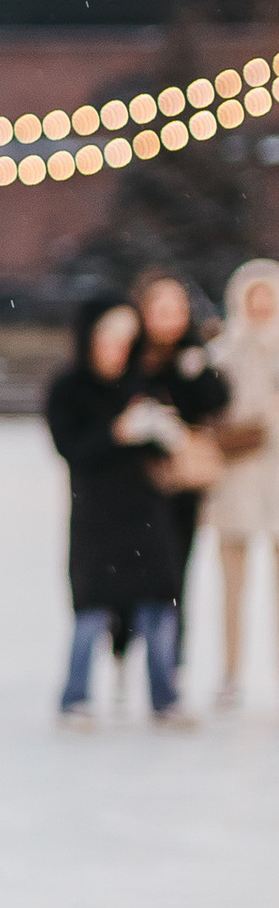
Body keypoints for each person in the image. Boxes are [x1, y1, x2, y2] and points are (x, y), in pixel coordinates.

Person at [44, 297, 194, 727]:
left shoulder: (141, 383)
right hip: (96, 515)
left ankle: (164, 696)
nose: (117, 349)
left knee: (159, 603)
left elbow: (203, 404)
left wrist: (164, 429)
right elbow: (71, 449)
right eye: (109, 338)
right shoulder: (68, 388)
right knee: (92, 607)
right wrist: (117, 432)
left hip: (147, 511)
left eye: (126, 340)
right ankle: (76, 697)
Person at [126, 267, 227, 658]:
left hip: (181, 488)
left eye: (177, 306)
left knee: (174, 577)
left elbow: (215, 402)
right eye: (161, 306)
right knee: (128, 573)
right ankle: (124, 649)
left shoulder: (192, 355)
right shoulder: (129, 357)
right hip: (134, 485)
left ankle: (170, 663)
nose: (170, 315)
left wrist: (196, 368)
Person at [205, 259, 279, 708]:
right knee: (231, 589)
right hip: (233, 483)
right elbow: (209, 413)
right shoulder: (221, 353)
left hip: (276, 481)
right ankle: (231, 671)